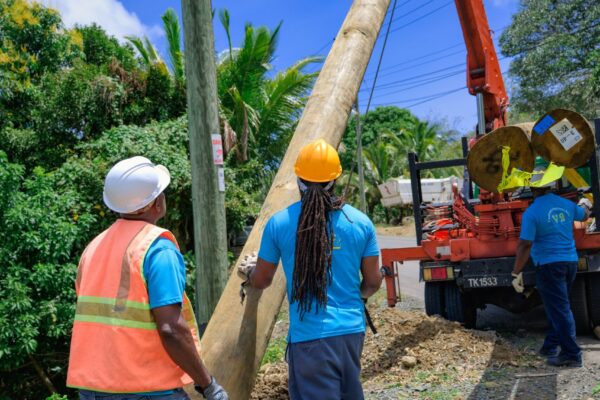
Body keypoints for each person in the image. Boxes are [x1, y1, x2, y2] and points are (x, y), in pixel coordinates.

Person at [67, 156, 228, 400]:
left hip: (93, 389)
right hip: (148, 390)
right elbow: (171, 329)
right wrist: (208, 384)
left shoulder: (93, 248)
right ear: (156, 203)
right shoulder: (156, 248)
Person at [238, 139, 382, 400]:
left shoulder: (279, 223)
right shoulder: (361, 222)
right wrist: (354, 297)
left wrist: (250, 271)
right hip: (351, 333)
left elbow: (262, 280)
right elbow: (372, 282)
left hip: (310, 338)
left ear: (299, 180)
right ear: (335, 179)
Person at [511, 168, 592, 367]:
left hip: (549, 265)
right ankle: (550, 346)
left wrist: (516, 272)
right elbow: (584, 215)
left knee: (560, 309)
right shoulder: (565, 204)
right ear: (551, 186)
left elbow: (525, 244)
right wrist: (585, 202)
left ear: (532, 188)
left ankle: (572, 355)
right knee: (557, 307)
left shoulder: (532, 213)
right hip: (570, 262)